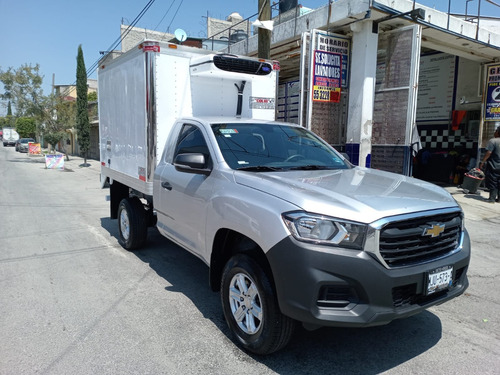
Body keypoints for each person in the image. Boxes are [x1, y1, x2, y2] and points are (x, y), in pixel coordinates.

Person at [479, 126, 500, 203]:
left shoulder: (493, 141)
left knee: (493, 181)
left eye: (495, 131)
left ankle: (492, 199)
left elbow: (489, 153)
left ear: (497, 132)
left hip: (494, 166)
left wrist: (482, 162)